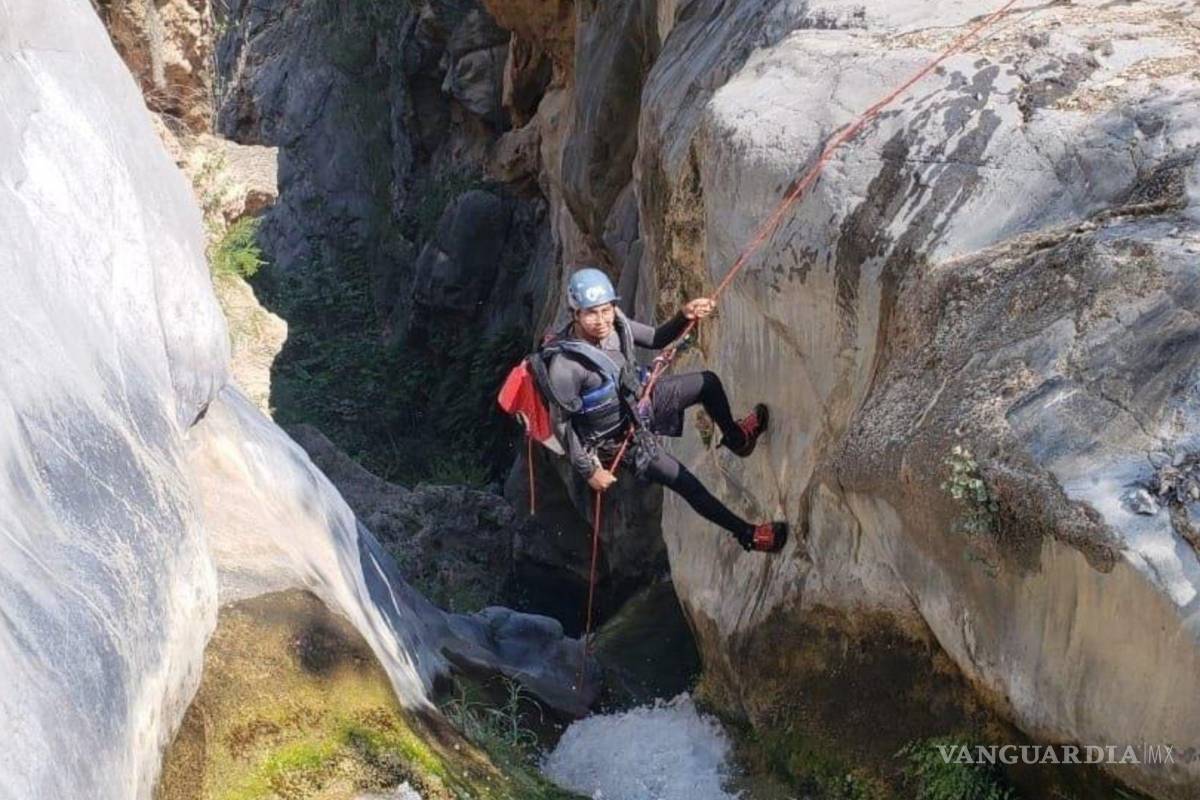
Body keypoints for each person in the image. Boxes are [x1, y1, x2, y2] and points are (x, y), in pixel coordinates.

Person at [546, 266, 788, 553]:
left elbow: (656, 338)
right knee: (687, 484)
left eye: (606, 310)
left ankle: (737, 439)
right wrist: (589, 470)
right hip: (621, 439)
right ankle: (748, 535)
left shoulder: (617, 325)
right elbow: (561, 423)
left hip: (640, 403)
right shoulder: (565, 366)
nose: (601, 320)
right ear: (575, 314)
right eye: (591, 313)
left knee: (707, 383)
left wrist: (684, 314)